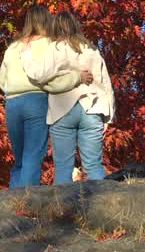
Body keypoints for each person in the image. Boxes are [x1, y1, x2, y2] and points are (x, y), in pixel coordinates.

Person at [0, 6, 82, 188]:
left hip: (13, 103)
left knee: (19, 157)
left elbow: (1, 80)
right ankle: (26, 203)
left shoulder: (13, 47)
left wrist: (13, 88)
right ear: (47, 21)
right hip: (37, 100)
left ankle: (13, 201)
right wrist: (77, 77)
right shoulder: (52, 44)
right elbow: (60, 75)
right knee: (33, 156)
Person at [38, 12, 115, 185]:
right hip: (92, 108)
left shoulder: (53, 49)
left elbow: (41, 76)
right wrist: (108, 117)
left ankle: (64, 208)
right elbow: (105, 83)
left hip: (62, 110)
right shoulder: (91, 49)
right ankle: (102, 204)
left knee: (63, 167)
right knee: (94, 166)